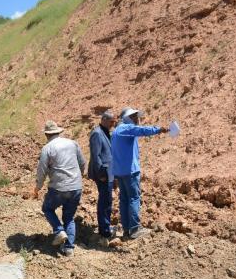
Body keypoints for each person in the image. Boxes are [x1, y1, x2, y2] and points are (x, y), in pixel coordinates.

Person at [111, 107, 168, 240]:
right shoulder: (126, 128)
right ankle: (135, 229)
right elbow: (141, 130)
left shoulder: (116, 132)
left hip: (120, 172)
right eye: (134, 117)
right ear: (127, 118)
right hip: (130, 171)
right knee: (133, 198)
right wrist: (158, 129)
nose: (137, 119)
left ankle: (126, 230)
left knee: (124, 200)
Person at [32, 120, 86, 256]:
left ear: (46, 135)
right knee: (69, 217)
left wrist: (37, 187)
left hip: (59, 188)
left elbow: (42, 170)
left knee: (47, 208)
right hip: (76, 187)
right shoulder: (73, 143)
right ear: (58, 132)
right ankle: (69, 249)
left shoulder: (47, 148)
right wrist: (78, 178)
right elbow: (82, 163)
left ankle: (59, 231)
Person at [88, 110, 117, 240]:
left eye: (114, 122)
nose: (113, 124)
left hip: (108, 172)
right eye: (111, 121)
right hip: (103, 173)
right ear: (104, 119)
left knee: (107, 200)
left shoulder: (105, 132)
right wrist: (101, 173)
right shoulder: (97, 133)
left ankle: (106, 227)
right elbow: (96, 156)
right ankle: (104, 230)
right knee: (105, 201)